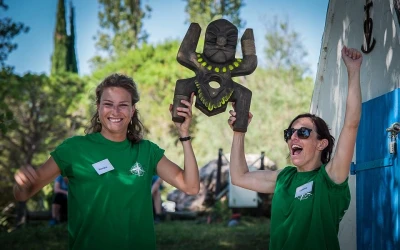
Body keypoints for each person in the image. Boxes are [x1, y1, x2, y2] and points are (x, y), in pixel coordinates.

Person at [13, 74, 200, 249]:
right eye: (108, 104)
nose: (115, 111)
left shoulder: (147, 151)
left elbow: (190, 187)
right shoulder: (74, 149)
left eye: (123, 105)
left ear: (133, 110)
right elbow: (22, 194)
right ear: (99, 107)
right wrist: (21, 183)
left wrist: (184, 134)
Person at [227, 46, 362, 249]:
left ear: (321, 143)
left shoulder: (330, 178)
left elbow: (351, 124)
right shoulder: (284, 178)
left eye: (303, 133)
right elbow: (239, 177)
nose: (293, 138)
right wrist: (239, 131)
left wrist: (353, 72)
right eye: (289, 133)